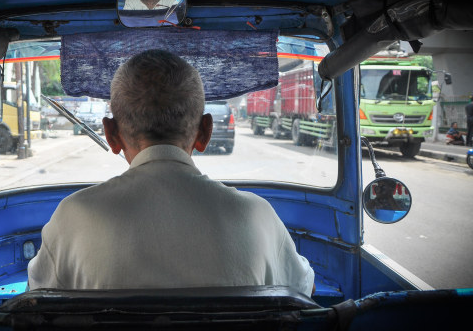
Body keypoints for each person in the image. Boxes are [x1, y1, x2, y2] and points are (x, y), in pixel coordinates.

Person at [27, 49, 315, 296]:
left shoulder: (73, 217)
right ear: (205, 133)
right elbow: (304, 289)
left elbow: (35, 304)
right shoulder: (257, 217)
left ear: (111, 136)